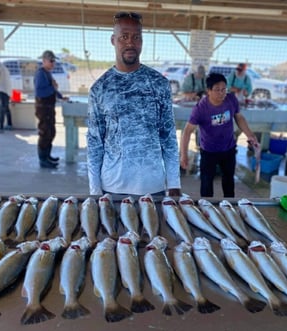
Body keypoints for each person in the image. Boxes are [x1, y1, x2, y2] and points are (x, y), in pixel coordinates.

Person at [86, 11, 181, 197]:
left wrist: (174, 184)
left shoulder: (159, 83)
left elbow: (168, 136)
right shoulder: (99, 88)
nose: (130, 42)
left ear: (142, 41)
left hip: (154, 188)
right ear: (113, 40)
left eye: (136, 37)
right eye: (124, 37)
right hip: (112, 188)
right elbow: (94, 142)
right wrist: (95, 191)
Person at [180, 73, 259, 198]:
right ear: (209, 91)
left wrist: (250, 134)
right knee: (206, 183)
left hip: (228, 148)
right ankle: (206, 210)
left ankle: (229, 208)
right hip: (208, 151)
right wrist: (184, 155)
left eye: (224, 89)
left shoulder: (231, 99)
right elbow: (187, 131)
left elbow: (239, 117)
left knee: (228, 181)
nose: (221, 93)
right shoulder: (200, 108)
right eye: (217, 90)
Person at [34, 50, 62, 169]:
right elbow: (41, 91)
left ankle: (48, 156)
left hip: (49, 108)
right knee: (45, 132)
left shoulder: (47, 73)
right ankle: (43, 159)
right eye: (51, 61)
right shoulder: (40, 74)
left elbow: (52, 88)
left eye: (54, 61)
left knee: (51, 132)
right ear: (44, 61)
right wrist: (53, 87)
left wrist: (60, 96)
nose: (53, 63)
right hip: (43, 108)